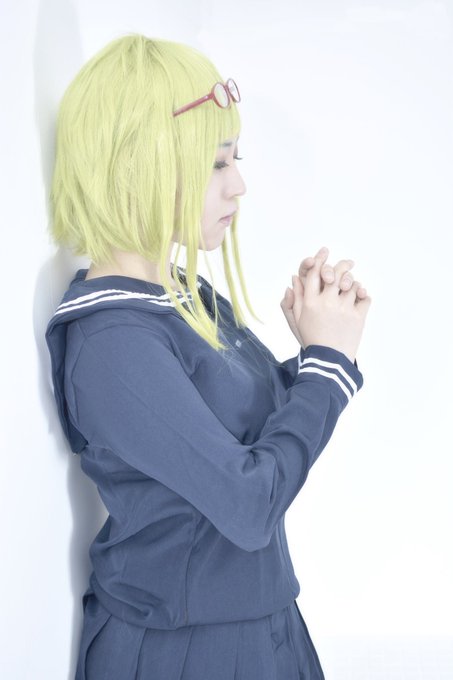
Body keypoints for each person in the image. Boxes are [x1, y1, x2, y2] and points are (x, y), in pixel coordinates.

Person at [45, 33, 371, 680]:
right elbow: (249, 503)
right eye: (217, 164)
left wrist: (319, 345)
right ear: (138, 165)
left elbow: (249, 432)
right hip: (184, 649)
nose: (238, 185)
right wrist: (326, 368)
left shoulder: (179, 292)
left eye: (234, 159)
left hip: (263, 624)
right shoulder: (113, 343)